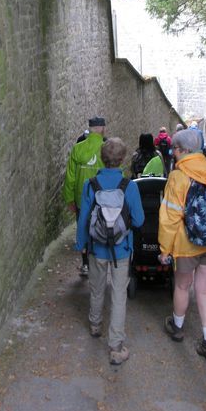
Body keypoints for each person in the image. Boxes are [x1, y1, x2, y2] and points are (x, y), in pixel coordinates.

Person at [158, 129, 206, 362]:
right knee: (203, 290)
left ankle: (177, 328)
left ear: (181, 151)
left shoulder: (178, 177)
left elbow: (170, 217)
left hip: (186, 244)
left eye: (174, 150)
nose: (173, 153)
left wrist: (165, 250)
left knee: (182, 286)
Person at [76, 138, 144, 365]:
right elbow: (139, 219)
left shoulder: (90, 184)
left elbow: (84, 218)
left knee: (96, 289)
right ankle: (116, 346)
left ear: (103, 158)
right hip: (121, 250)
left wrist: (82, 244)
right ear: (122, 159)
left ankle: (95, 324)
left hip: (96, 249)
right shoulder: (129, 186)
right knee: (118, 296)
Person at [63, 116, 106, 276]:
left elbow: (70, 177)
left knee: (83, 229)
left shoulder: (78, 148)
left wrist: (69, 199)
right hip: (101, 198)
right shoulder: (106, 148)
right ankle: (99, 263)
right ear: (102, 129)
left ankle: (86, 264)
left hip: (82, 198)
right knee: (101, 227)